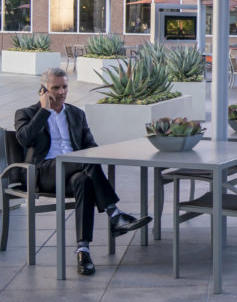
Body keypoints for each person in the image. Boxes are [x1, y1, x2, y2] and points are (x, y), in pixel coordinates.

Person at [14, 68, 152, 275]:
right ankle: (114, 214)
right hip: (44, 172)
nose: (61, 92)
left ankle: (83, 250)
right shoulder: (27, 113)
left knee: (84, 181)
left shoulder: (76, 114)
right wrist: (44, 111)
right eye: (55, 88)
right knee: (84, 161)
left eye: (65, 87)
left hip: (73, 172)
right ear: (43, 89)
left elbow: (91, 146)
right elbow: (24, 139)